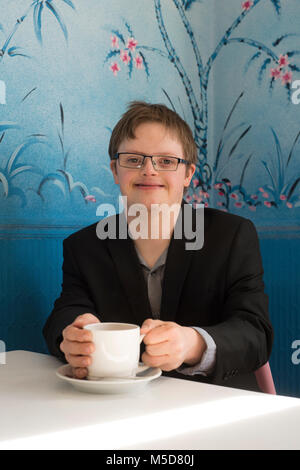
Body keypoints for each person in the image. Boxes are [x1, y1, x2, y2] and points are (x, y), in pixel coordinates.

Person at [43, 101, 273, 392]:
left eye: (166, 161)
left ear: (188, 173)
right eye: (134, 159)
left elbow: (256, 333)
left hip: (215, 405)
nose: (148, 170)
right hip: (120, 408)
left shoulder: (232, 236)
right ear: (115, 171)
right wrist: (72, 332)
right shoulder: (84, 246)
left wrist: (193, 343)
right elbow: (63, 314)